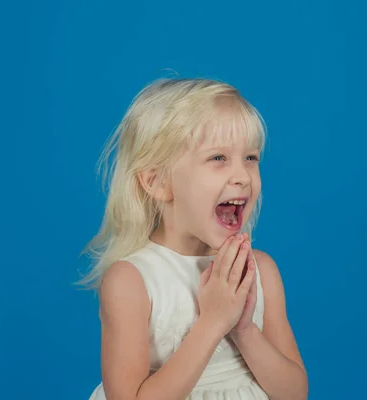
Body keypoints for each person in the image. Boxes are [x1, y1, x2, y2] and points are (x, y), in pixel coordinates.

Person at [80, 78, 308, 399]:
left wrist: (242, 328)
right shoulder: (131, 281)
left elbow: (295, 393)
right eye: (218, 158)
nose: (242, 175)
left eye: (251, 158)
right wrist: (214, 322)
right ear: (158, 182)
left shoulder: (261, 272)